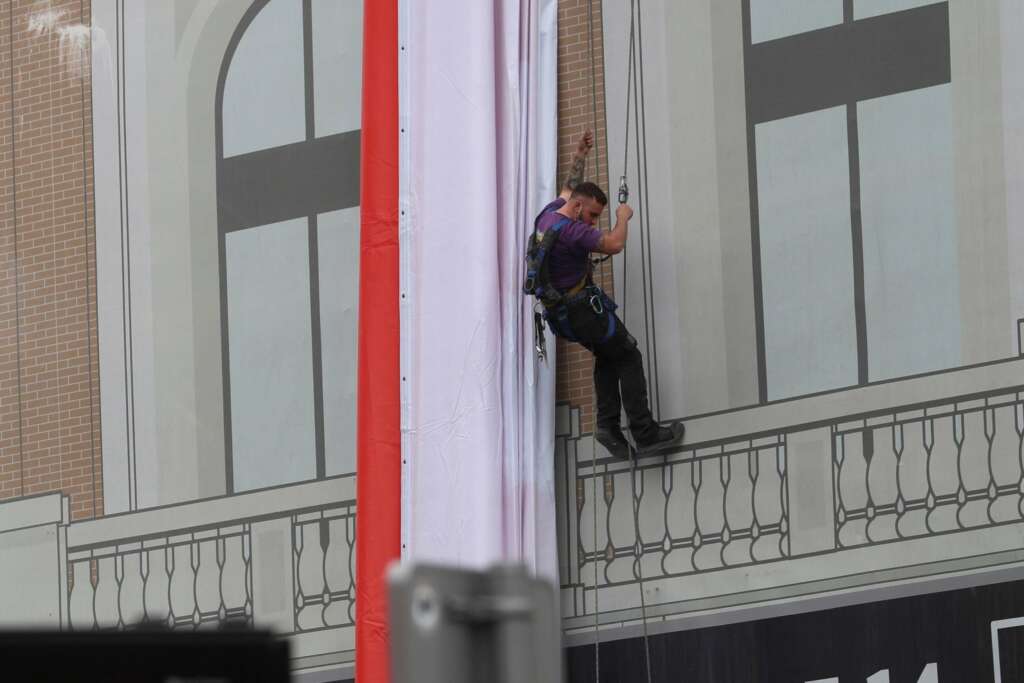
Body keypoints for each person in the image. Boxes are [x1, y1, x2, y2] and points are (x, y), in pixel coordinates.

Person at [530, 130, 684, 458]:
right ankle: (645, 433)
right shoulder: (573, 231)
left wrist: (581, 154)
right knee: (628, 354)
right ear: (578, 207)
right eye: (592, 215)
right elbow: (614, 244)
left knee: (607, 354)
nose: (594, 222)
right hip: (582, 311)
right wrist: (622, 218)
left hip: (562, 314)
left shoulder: (550, 215)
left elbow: (570, 185)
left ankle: (608, 427)